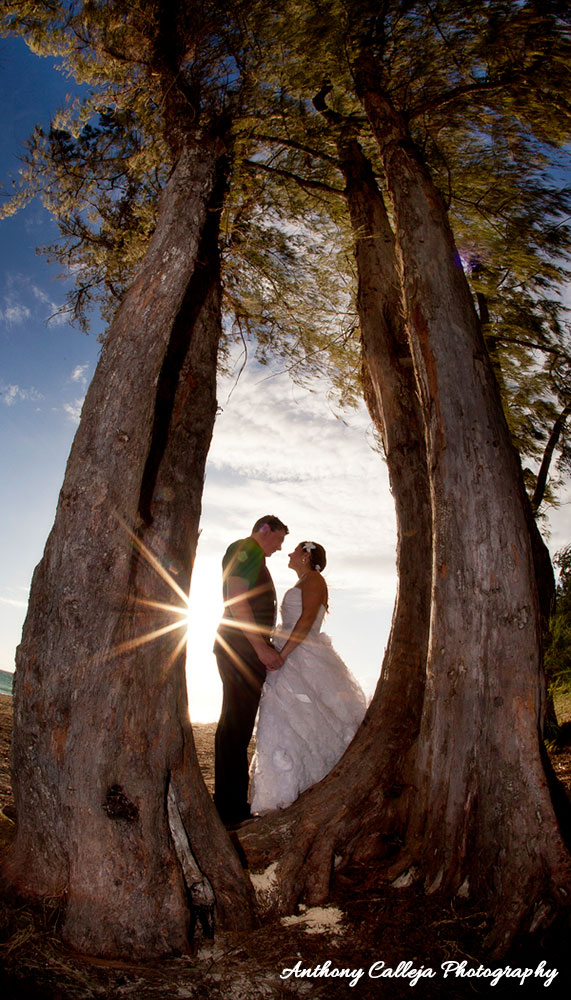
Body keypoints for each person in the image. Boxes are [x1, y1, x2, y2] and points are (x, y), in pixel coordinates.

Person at [249, 540, 367, 815]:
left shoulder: (314, 579)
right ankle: (281, 791)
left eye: (294, 550)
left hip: (301, 655)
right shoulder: (304, 580)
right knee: (283, 718)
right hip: (288, 651)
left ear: (306, 555)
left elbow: (305, 621)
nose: (289, 553)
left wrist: (285, 654)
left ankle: (303, 785)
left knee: (307, 717)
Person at [213, 514, 289, 826]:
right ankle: (230, 811)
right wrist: (260, 647)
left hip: (241, 648)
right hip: (241, 650)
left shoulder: (253, 554)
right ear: (265, 530)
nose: (280, 548)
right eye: (279, 540)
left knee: (237, 725)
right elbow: (236, 599)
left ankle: (229, 805)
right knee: (235, 726)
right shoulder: (247, 549)